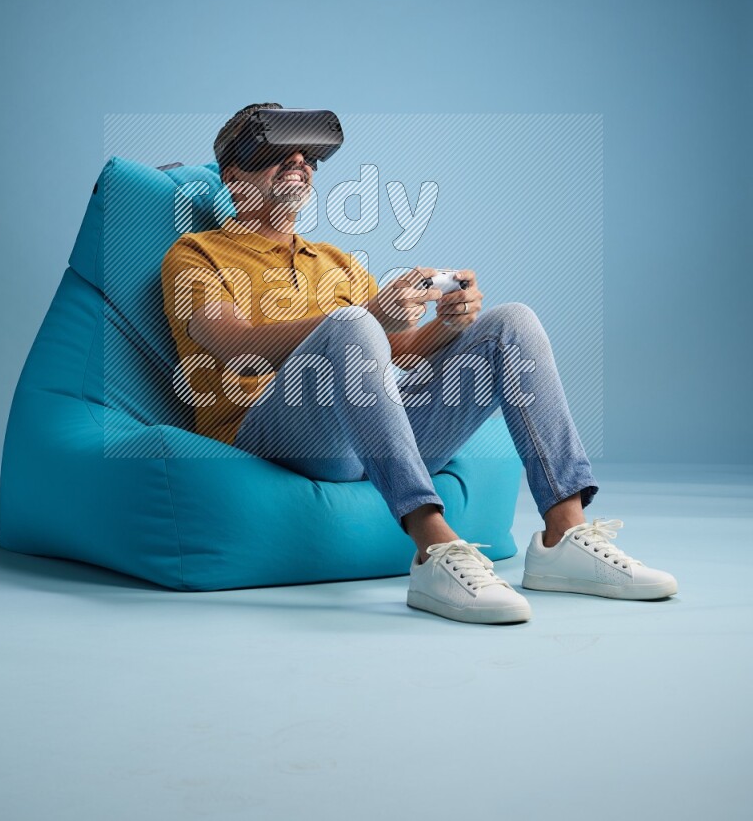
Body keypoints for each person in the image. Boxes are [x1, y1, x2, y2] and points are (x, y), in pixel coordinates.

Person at [161, 102, 677, 624]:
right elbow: (232, 342)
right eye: (278, 154)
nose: (300, 162)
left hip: (368, 437)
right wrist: (365, 315)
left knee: (509, 322)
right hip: (274, 436)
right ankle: (433, 547)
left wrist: (450, 324)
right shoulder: (196, 254)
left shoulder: (337, 262)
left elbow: (399, 351)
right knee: (351, 324)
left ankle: (563, 533)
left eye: (310, 156)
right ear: (233, 177)